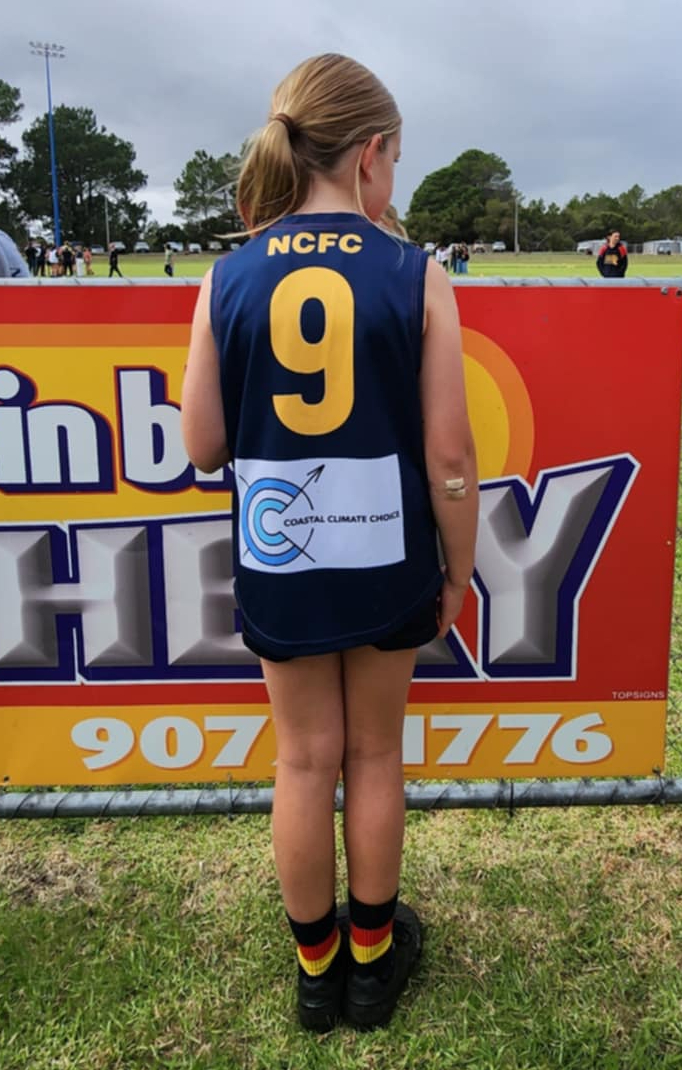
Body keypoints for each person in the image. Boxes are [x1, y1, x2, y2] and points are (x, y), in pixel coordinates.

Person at [181, 53, 478, 1034]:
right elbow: (450, 458)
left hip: (282, 552)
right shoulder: (416, 272)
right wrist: (459, 569)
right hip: (388, 553)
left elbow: (202, 444)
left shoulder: (228, 274)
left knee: (305, 762)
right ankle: (372, 968)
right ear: (370, 154)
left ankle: (318, 977)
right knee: (376, 753)